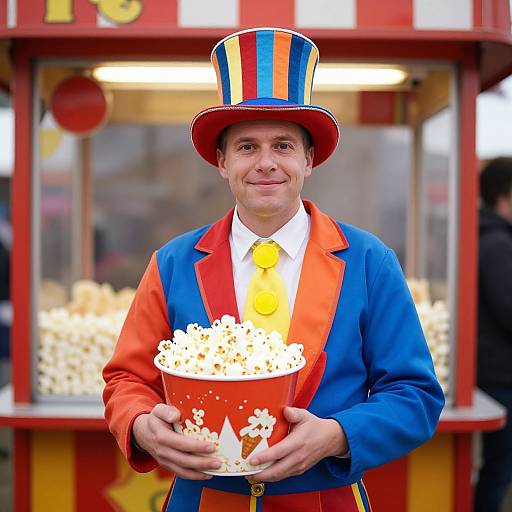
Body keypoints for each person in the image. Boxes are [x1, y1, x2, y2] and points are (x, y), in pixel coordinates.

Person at [103, 27, 444, 512]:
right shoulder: (173, 263)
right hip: (203, 500)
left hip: (326, 499)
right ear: (222, 163)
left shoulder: (369, 262)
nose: (265, 163)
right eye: (246, 148)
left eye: (283, 146)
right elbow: (126, 380)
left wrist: (336, 435)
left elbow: (415, 395)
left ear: (309, 159)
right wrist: (140, 425)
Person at [474, 157, 512, 512]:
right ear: (505, 194)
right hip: (501, 375)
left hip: (490, 370)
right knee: (500, 467)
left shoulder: (487, 236)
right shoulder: (498, 243)